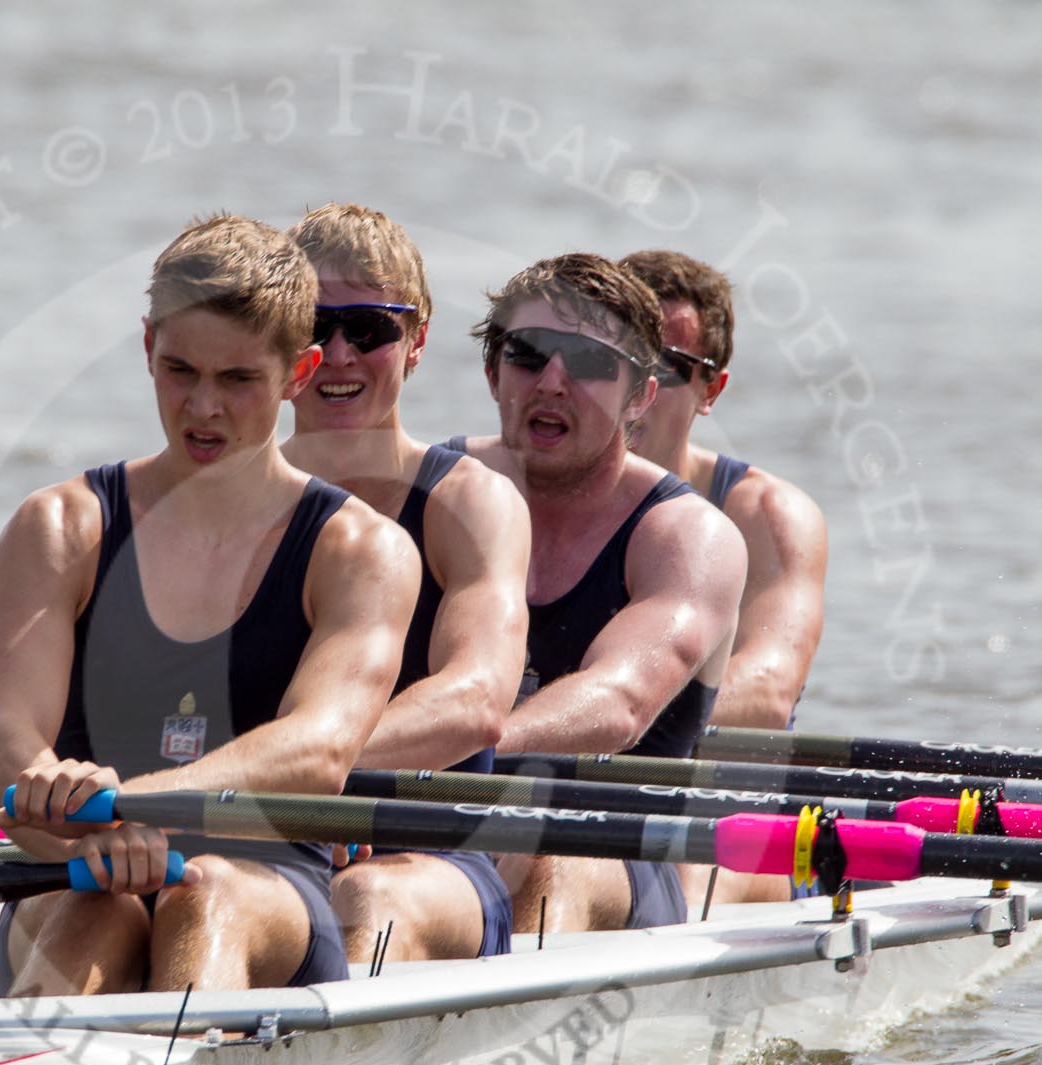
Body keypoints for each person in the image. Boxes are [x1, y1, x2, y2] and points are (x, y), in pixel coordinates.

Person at [0, 214, 419, 997]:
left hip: (268, 894)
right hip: (79, 876)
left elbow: (317, 750)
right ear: (148, 347)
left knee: (203, 889)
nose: (203, 408)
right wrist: (61, 799)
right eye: (180, 370)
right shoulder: (63, 526)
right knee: (93, 910)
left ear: (298, 374)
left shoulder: (361, 552)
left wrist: (127, 807)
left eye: (238, 380)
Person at [457, 254, 747, 935]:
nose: (552, 381)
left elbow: (616, 705)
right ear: (493, 369)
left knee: (540, 860)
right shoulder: (432, 493)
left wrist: (443, 744)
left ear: (640, 395)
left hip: (613, 849)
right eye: (528, 354)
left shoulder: (687, 535)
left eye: (588, 363)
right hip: (430, 818)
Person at [282, 203, 531, 964]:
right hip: (258, 835)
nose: (339, 354)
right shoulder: (221, 496)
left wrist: (317, 769)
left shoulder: (469, 503)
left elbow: (477, 700)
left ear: (417, 340)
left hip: (433, 855)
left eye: (370, 329)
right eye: (316, 326)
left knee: (368, 897)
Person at [621, 249, 828, 905]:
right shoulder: (518, 498)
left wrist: (608, 714)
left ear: (711, 390)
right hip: (581, 797)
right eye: (613, 357)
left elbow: (766, 693)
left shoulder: (768, 516)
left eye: (664, 368)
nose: (633, 387)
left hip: (733, 832)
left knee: (677, 877)